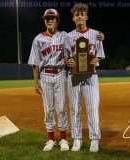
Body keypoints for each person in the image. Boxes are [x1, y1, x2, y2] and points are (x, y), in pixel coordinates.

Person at [28, 8, 104, 151]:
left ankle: (73, 139)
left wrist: (100, 38)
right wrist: (35, 81)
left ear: (57, 21)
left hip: (67, 75)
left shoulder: (67, 35)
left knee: (67, 108)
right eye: (46, 18)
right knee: (53, 109)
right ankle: (60, 139)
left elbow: (95, 52)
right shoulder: (44, 38)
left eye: (52, 18)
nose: (49, 20)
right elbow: (36, 62)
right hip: (50, 75)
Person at [65, 3, 105, 152]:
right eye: (76, 14)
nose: (79, 16)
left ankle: (94, 139)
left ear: (86, 17)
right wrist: (67, 61)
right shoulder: (68, 36)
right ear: (73, 18)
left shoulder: (96, 34)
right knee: (74, 108)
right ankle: (77, 139)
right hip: (74, 76)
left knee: (92, 108)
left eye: (82, 14)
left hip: (91, 76)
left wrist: (97, 60)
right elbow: (66, 56)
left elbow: (100, 54)